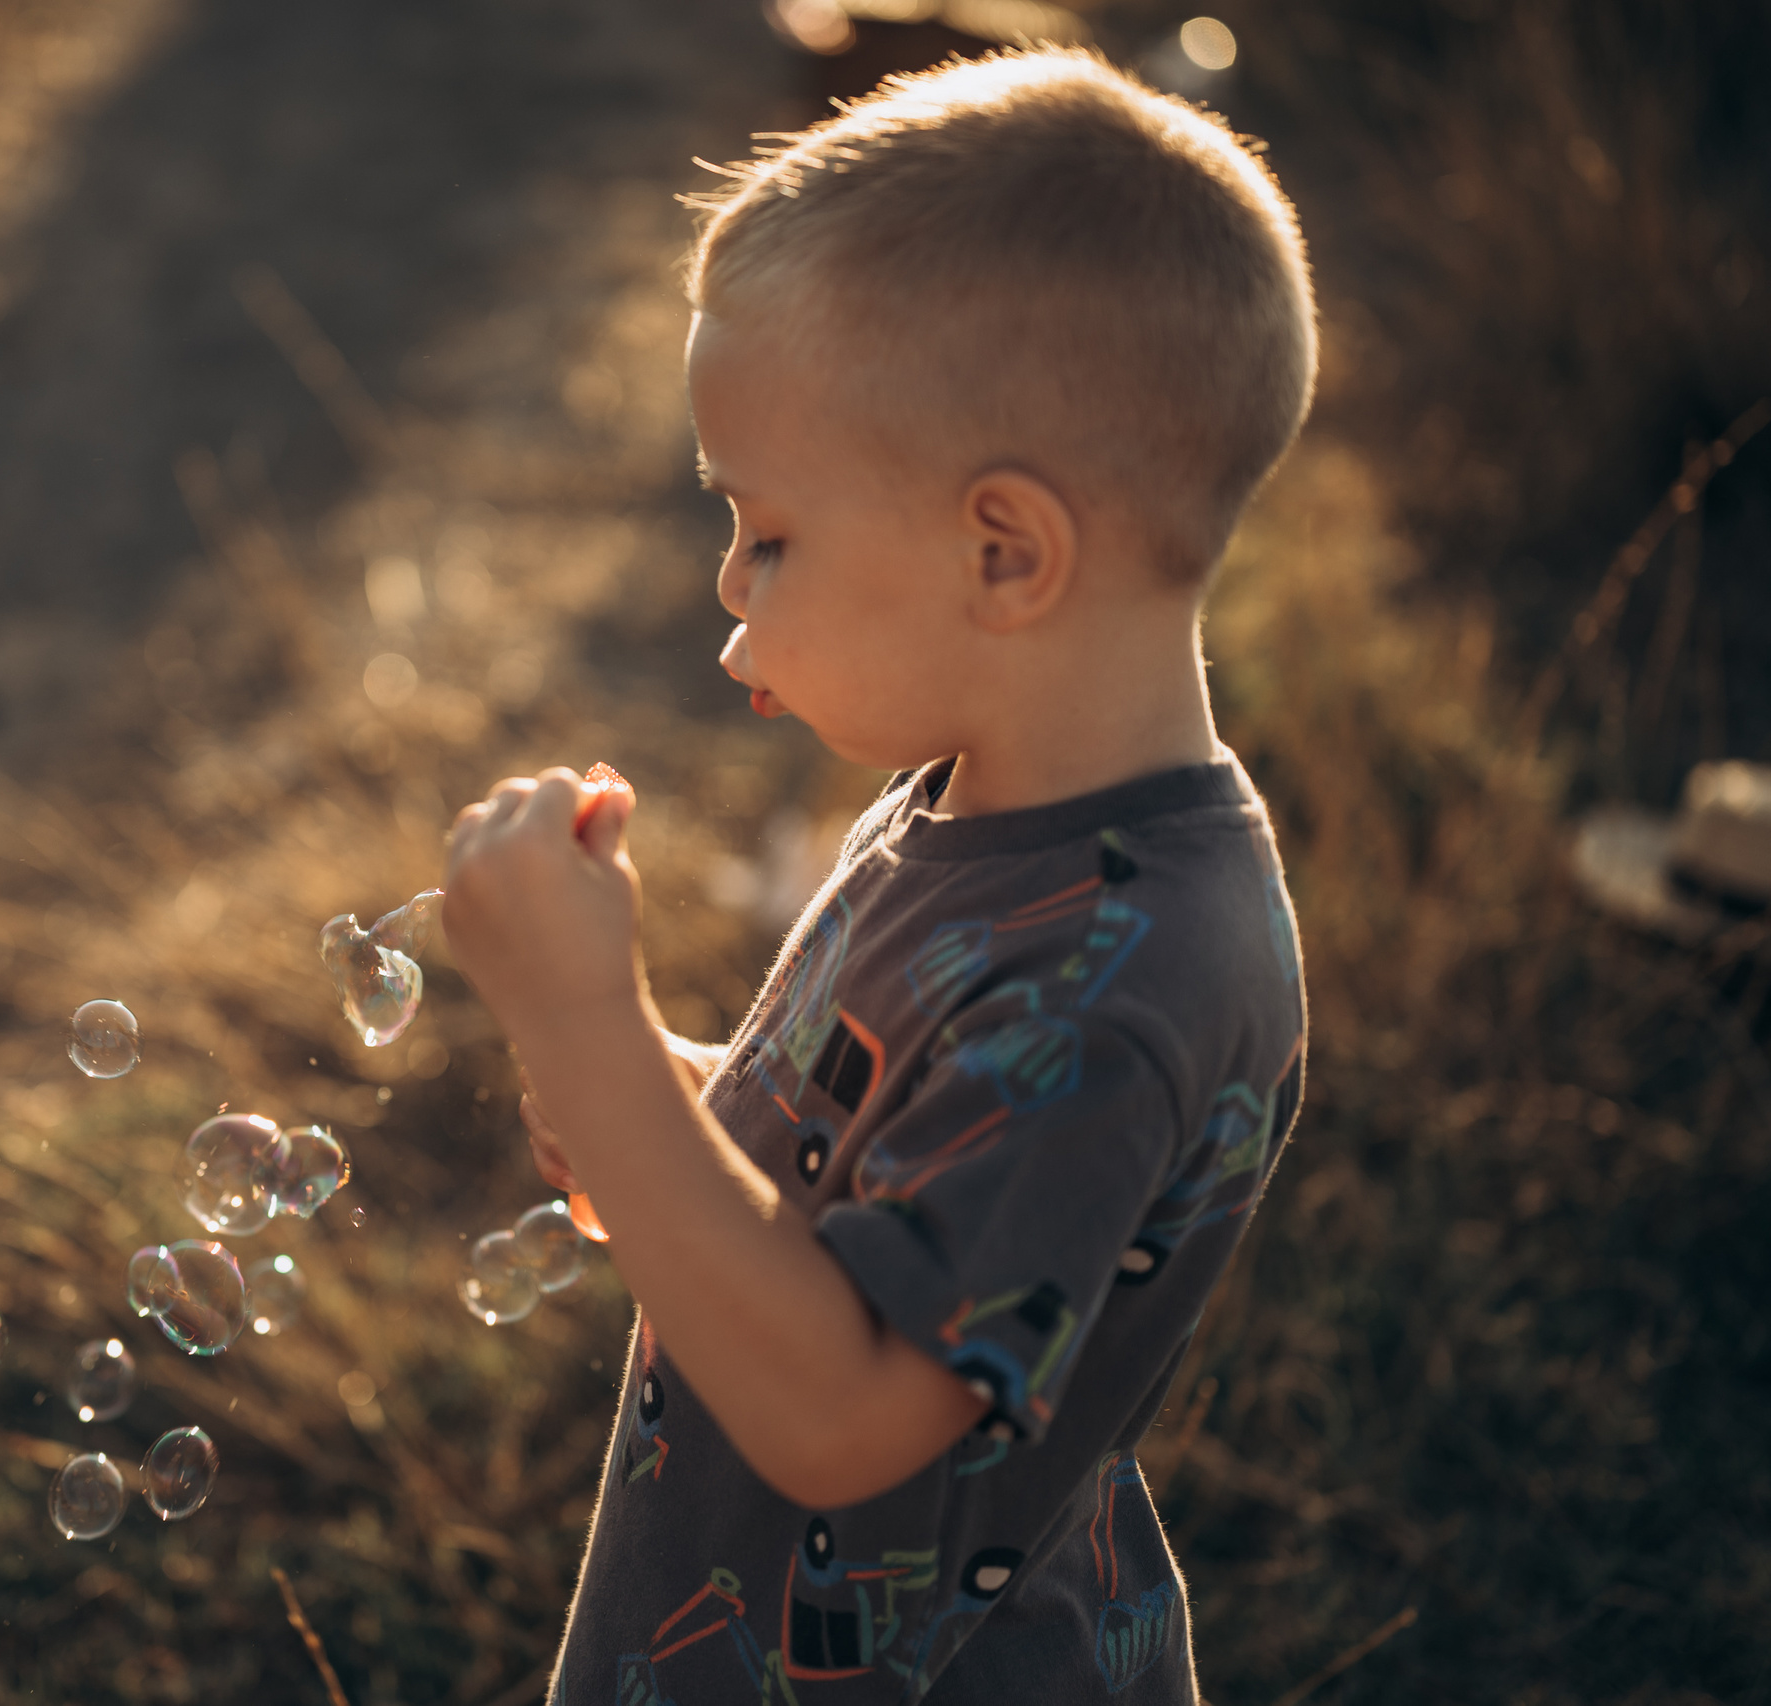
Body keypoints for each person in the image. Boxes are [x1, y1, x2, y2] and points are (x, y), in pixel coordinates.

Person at [439, 49, 1315, 1704]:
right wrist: (675, 1107)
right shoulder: (980, 808)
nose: (727, 580)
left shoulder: (1116, 981)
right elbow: (873, 1191)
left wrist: (593, 1026)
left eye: (766, 530)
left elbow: (842, 1415)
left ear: (1004, 552)